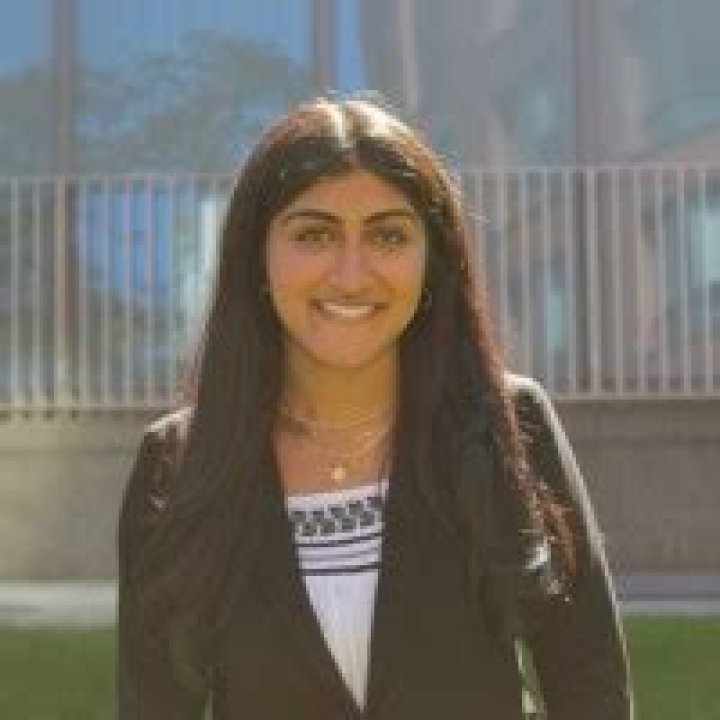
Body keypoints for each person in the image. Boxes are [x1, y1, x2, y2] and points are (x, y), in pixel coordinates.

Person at [117, 97, 634, 719]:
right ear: (257, 256)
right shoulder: (177, 465)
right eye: (314, 235)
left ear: (433, 260)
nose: (352, 275)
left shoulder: (510, 425)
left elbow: (592, 689)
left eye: (388, 235)